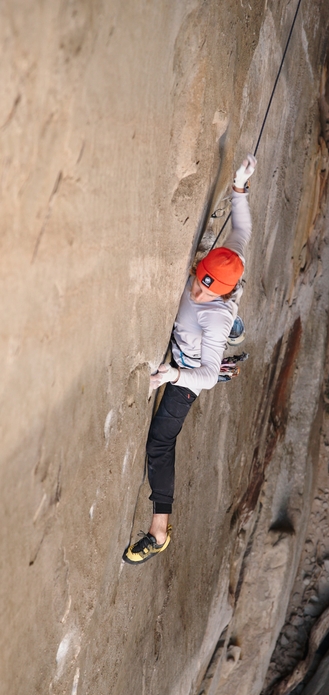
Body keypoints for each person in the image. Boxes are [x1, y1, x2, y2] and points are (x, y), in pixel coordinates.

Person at [122, 153, 257, 565]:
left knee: (160, 442)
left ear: (221, 294)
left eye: (205, 290)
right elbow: (243, 229)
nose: (196, 292)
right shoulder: (227, 260)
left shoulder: (214, 315)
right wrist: (238, 187)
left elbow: (207, 376)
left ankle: (158, 531)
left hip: (193, 367)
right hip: (200, 343)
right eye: (197, 282)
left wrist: (172, 374)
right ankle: (240, 330)